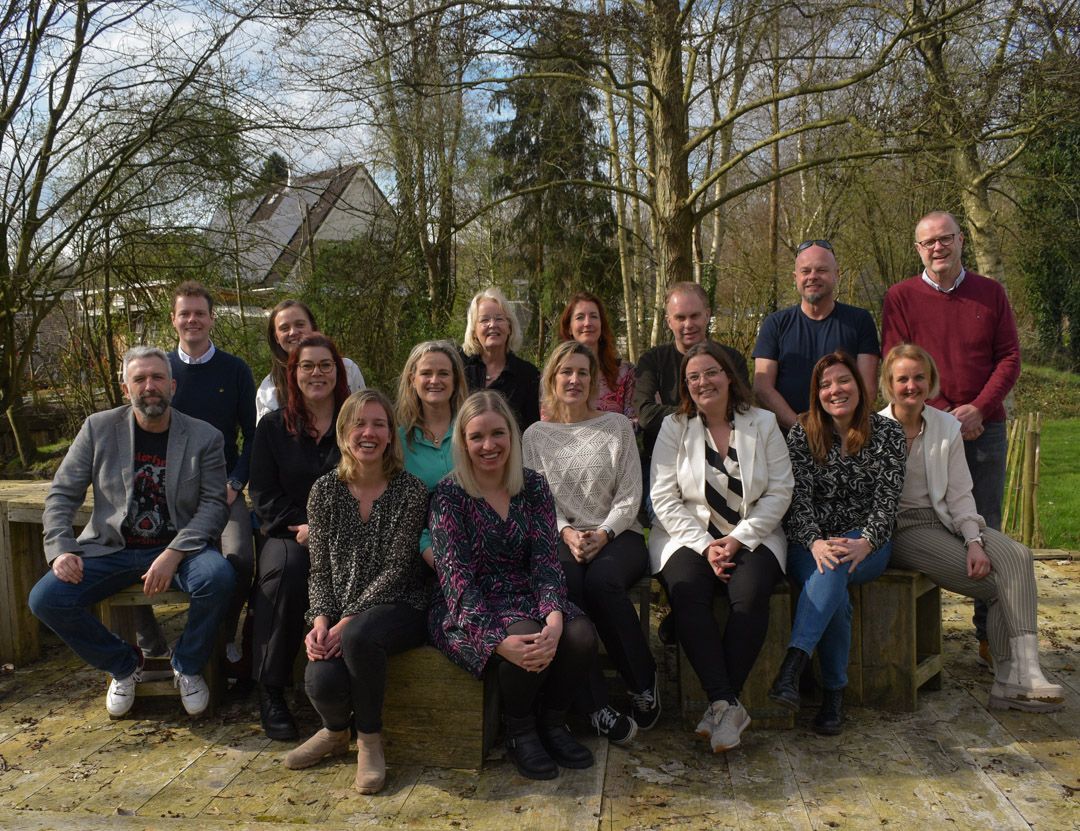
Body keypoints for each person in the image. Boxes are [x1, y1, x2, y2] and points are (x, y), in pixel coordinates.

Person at [28, 346, 234, 718]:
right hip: (111, 548)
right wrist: (61, 548)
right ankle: (124, 665)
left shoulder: (205, 437)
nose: (149, 386)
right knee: (46, 599)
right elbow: (62, 493)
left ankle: (186, 665)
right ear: (126, 389)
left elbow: (214, 506)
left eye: (157, 377)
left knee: (218, 577)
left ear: (172, 385)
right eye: (139, 379)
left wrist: (173, 553)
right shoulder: (98, 428)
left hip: (181, 550)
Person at [879, 344, 1063, 712]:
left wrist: (974, 541)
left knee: (1018, 556)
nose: (912, 386)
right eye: (903, 379)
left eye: (919, 377)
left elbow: (961, 493)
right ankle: (1009, 678)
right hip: (904, 529)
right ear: (889, 384)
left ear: (931, 381)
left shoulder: (946, 425)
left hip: (945, 519)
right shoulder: (876, 429)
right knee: (998, 587)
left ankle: (1026, 671)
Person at [428, 390, 598, 781]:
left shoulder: (534, 486)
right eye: (477, 436)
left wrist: (554, 615)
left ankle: (553, 722)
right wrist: (496, 641)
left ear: (512, 435)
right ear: (463, 442)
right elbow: (456, 580)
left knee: (579, 635)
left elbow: (546, 560)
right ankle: (520, 730)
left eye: (497, 433)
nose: (489, 445)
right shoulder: (449, 495)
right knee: (525, 639)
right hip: (470, 604)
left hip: (527, 591)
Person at [881, 211, 1021, 666]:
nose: (938, 247)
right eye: (929, 242)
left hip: (985, 427)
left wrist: (978, 408)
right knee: (933, 521)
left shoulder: (990, 293)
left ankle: (991, 639)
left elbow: (1009, 357)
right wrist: (941, 416)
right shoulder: (901, 297)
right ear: (917, 249)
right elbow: (897, 362)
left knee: (985, 525)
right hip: (925, 427)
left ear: (961, 241)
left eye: (945, 239)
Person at [283, 390, 431, 793]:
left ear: (390, 434)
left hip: (400, 605)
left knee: (360, 635)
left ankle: (369, 742)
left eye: (379, 424)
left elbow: (398, 569)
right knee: (321, 679)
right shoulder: (324, 491)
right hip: (340, 610)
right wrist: (321, 623)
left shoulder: (410, 491)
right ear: (343, 432)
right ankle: (335, 733)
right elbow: (319, 570)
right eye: (359, 424)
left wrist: (345, 624)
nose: (369, 433)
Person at [650, 342, 793, 752]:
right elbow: (663, 497)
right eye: (693, 377)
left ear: (729, 376)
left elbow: (780, 490)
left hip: (754, 532)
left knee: (749, 596)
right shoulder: (675, 427)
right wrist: (706, 546)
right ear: (685, 385)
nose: (703, 382)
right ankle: (726, 702)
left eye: (711, 372)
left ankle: (721, 705)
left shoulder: (763, 423)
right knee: (687, 592)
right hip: (686, 535)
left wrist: (737, 539)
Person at [523, 342, 657, 745]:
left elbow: (630, 496)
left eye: (583, 372)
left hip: (620, 534)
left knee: (602, 582)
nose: (574, 380)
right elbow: (536, 500)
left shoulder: (616, 426)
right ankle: (595, 706)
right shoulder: (535, 436)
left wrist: (604, 533)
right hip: (560, 536)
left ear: (594, 381)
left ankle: (643, 683)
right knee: (567, 587)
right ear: (552, 379)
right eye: (566, 372)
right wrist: (567, 532)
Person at [768, 350, 905, 735]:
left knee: (838, 563)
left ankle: (793, 665)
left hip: (868, 545)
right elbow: (797, 500)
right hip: (808, 545)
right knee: (834, 589)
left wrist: (866, 541)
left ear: (858, 386)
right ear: (817, 394)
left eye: (843, 380)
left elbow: (887, 502)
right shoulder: (803, 432)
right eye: (825, 385)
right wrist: (815, 542)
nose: (835, 390)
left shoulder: (888, 433)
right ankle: (833, 694)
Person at [133, 282, 255, 666]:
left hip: (222, 488)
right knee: (125, 556)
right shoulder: (159, 372)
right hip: (166, 491)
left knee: (239, 558)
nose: (192, 320)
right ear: (173, 319)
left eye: (199, 313)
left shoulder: (235, 370)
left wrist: (235, 482)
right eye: (184, 313)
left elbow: (253, 437)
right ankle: (153, 644)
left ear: (212, 319)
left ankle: (223, 635)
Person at [249, 334, 349, 740]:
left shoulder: (355, 421)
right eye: (307, 366)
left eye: (325, 365)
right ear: (293, 374)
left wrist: (324, 528)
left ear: (338, 371)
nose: (316, 373)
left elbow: (376, 482)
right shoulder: (273, 427)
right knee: (286, 573)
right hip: (288, 533)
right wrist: (304, 527)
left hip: (349, 531)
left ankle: (344, 688)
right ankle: (271, 688)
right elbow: (263, 495)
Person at [753, 240, 880, 431]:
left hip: (847, 435)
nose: (812, 277)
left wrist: (840, 431)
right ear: (795, 277)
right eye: (805, 271)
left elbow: (868, 388)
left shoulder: (860, 321)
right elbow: (762, 388)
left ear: (837, 275)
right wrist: (802, 430)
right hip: (787, 437)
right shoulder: (775, 324)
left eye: (821, 270)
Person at [634, 282, 749, 470]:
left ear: (707, 315)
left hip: (724, 462)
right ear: (669, 321)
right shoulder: (652, 361)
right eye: (680, 317)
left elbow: (740, 410)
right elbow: (647, 416)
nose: (688, 324)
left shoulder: (732, 359)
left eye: (694, 316)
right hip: (667, 464)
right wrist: (713, 410)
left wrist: (668, 412)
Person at [396, 340, 468, 568]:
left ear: (455, 380)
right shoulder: (397, 441)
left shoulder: (473, 432)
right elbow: (400, 514)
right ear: (412, 379)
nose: (434, 380)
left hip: (478, 545)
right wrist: (429, 553)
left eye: (443, 373)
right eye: (426, 373)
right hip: (422, 558)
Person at [256, 299, 366, 423]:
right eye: (285, 328)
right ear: (276, 337)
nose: (293, 332)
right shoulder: (268, 389)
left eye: (300, 325)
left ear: (313, 327)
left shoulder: (348, 370)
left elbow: (364, 418)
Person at [542, 291, 635, 421]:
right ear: (569, 328)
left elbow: (633, 421)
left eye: (593, 316)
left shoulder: (625, 372)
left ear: (602, 325)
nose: (587, 323)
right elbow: (548, 418)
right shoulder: (555, 371)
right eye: (580, 317)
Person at [460, 288, 541, 430]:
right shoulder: (460, 368)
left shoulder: (528, 375)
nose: (493, 324)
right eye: (484, 320)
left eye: (499, 319)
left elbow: (532, 428)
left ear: (509, 327)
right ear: (474, 331)